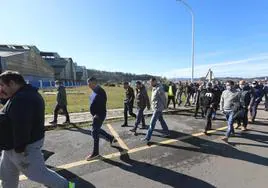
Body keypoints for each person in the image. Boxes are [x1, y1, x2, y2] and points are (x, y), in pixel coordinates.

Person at [0, 71, 74, 188]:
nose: (1, 88)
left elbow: (22, 126)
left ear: (12, 83)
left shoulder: (23, 99)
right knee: (7, 176)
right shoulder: (23, 94)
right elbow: (12, 108)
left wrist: (20, 149)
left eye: (2, 85)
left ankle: (69, 186)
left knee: (39, 174)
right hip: (11, 146)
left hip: (21, 147)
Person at [86, 77, 117, 160]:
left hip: (99, 115)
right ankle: (110, 137)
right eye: (87, 83)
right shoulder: (94, 90)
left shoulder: (100, 91)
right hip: (96, 115)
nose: (88, 85)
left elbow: (102, 104)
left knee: (94, 132)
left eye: (89, 83)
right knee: (97, 129)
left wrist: (96, 114)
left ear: (94, 83)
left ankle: (95, 153)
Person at [142, 77, 170, 144]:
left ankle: (147, 137)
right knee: (161, 120)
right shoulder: (154, 88)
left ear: (155, 81)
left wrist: (165, 106)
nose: (150, 83)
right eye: (150, 82)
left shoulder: (159, 88)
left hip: (158, 108)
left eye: (151, 82)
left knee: (152, 123)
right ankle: (167, 132)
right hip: (156, 107)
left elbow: (163, 98)